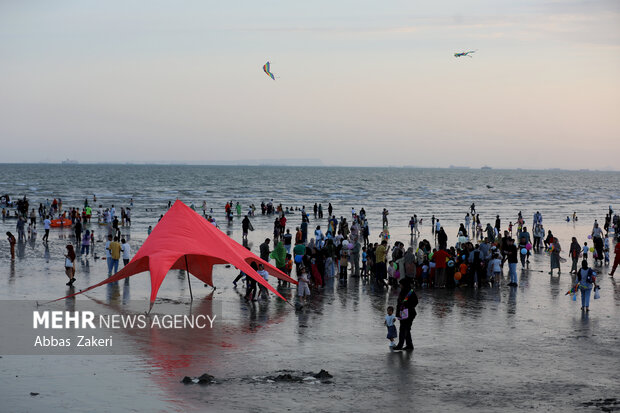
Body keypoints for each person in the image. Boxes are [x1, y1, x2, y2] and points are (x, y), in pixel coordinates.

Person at [393, 278, 418, 351]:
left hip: (410, 314)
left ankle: (400, 345)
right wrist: (398, 313)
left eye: (401, 284)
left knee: (403, 329)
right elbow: (399, 303)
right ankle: (409, 345)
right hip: (403, 313)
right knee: (406, 329)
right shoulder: (402, 292)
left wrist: (407, 306)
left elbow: (415, 302)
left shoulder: (410, 292)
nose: (400, 285)